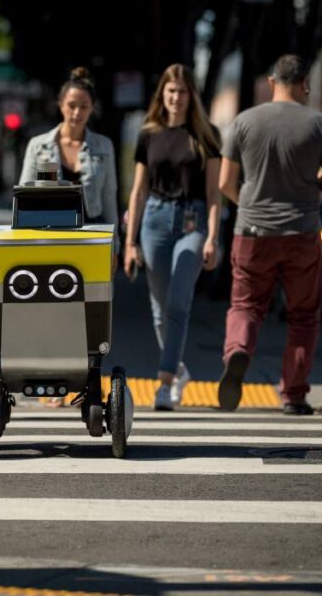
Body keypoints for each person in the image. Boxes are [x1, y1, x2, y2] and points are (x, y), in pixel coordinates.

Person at [218, 54, 322, 415]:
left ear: (272, 83)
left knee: (246, 305)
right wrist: (309, 183)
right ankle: (293, 394)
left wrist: (250, 201)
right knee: (303, 315)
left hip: (252, 232)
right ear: (305, 83)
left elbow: (226, 183)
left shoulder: (244, 122)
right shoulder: (321, 126)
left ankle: (239, 349)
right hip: (302, 233)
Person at [122, 64, 221, 411]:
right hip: (153, 221)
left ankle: (164, 384)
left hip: (193, 224)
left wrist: (212, 238)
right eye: (171, 91)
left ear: (191, 95)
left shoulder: (207, 137)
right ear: (162, 94)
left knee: (179, 303)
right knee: (161, 311)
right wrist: (130, 242)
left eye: (182, 91)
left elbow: (213, 194)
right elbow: (137, 190)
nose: (176, 97)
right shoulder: (149, 133)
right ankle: (178, 368)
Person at [19, 67, 118, 244]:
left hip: (93, 234)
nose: (77, 113)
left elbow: (108, 197)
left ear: (92, 108)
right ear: (61, 104)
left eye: (84, 107)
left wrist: (115, 243)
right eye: (72, 106)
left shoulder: (104, 146)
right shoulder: (38, 146)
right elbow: (24, 197)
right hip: (49, 233)